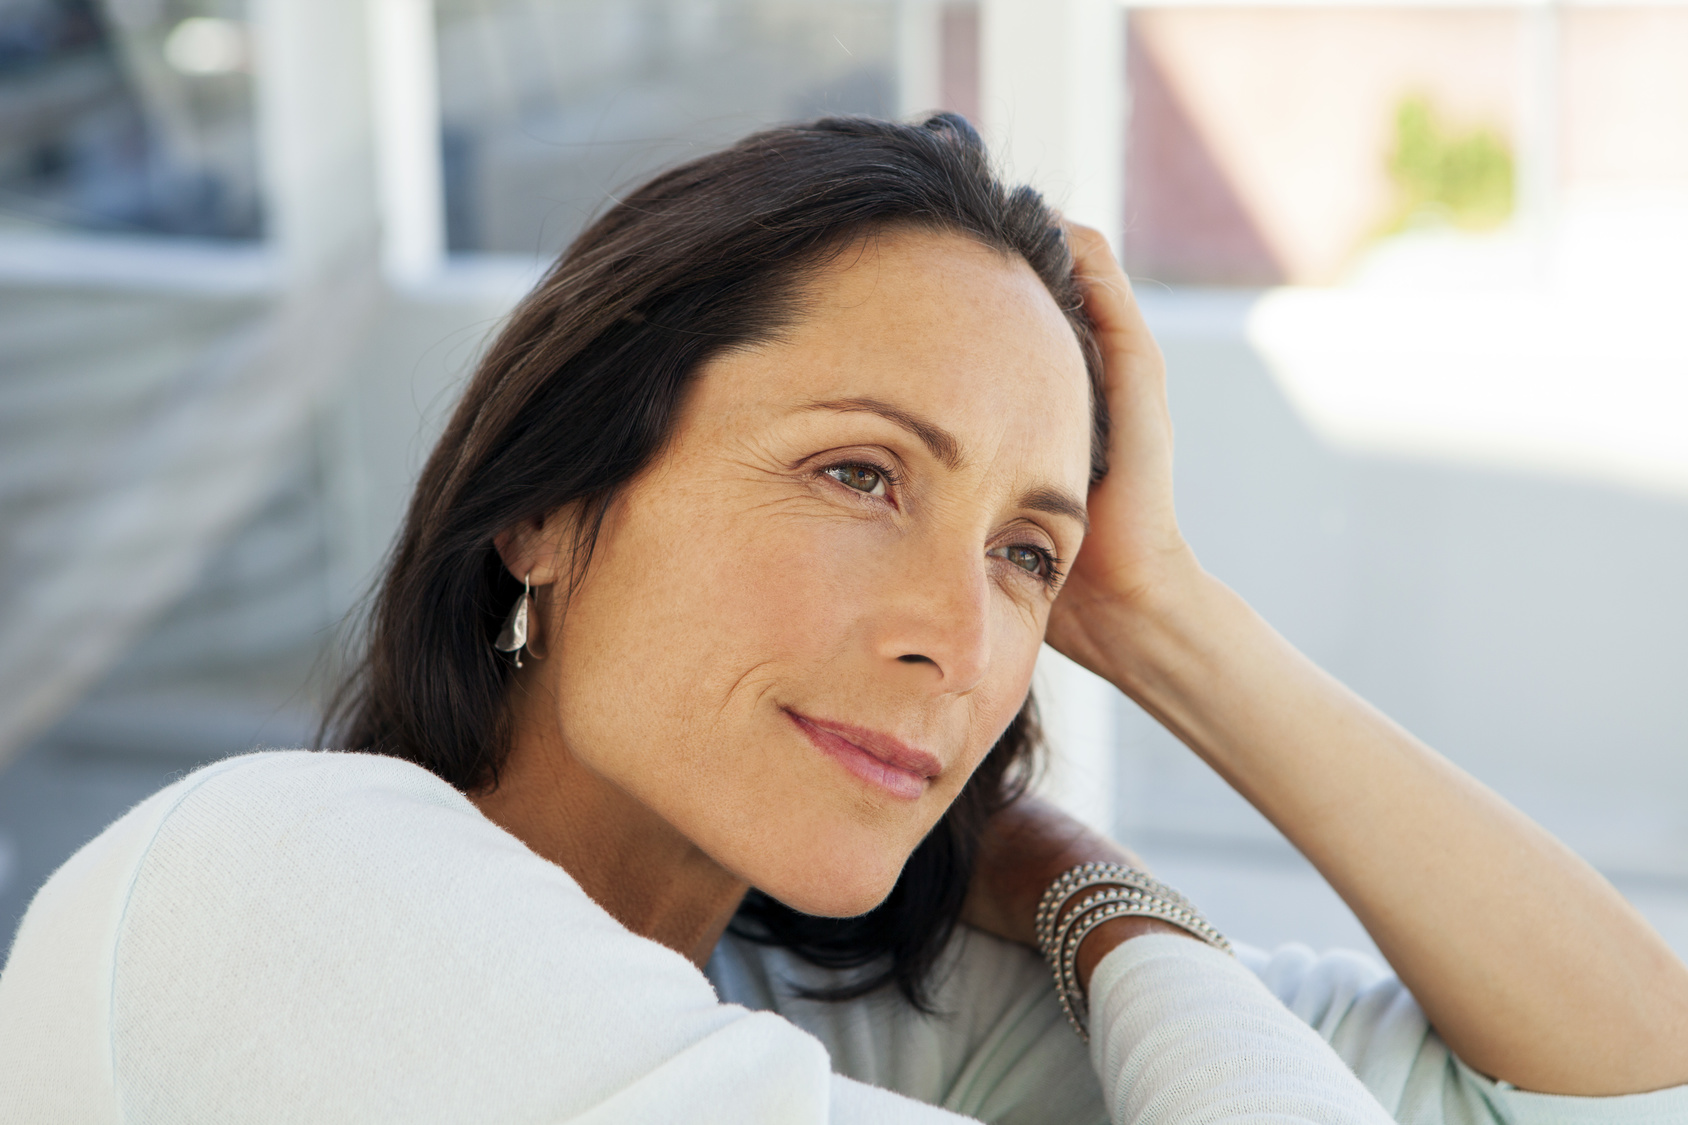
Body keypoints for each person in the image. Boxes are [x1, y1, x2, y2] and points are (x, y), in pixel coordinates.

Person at [1, 115, 1684, 1124]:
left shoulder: (814, 1008)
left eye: (1028, 552)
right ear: (547, 502)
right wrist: (1097, 896)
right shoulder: (273, 888)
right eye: (862, 474)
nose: (957, 633)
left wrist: (1164, 617)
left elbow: (1625, 1081)